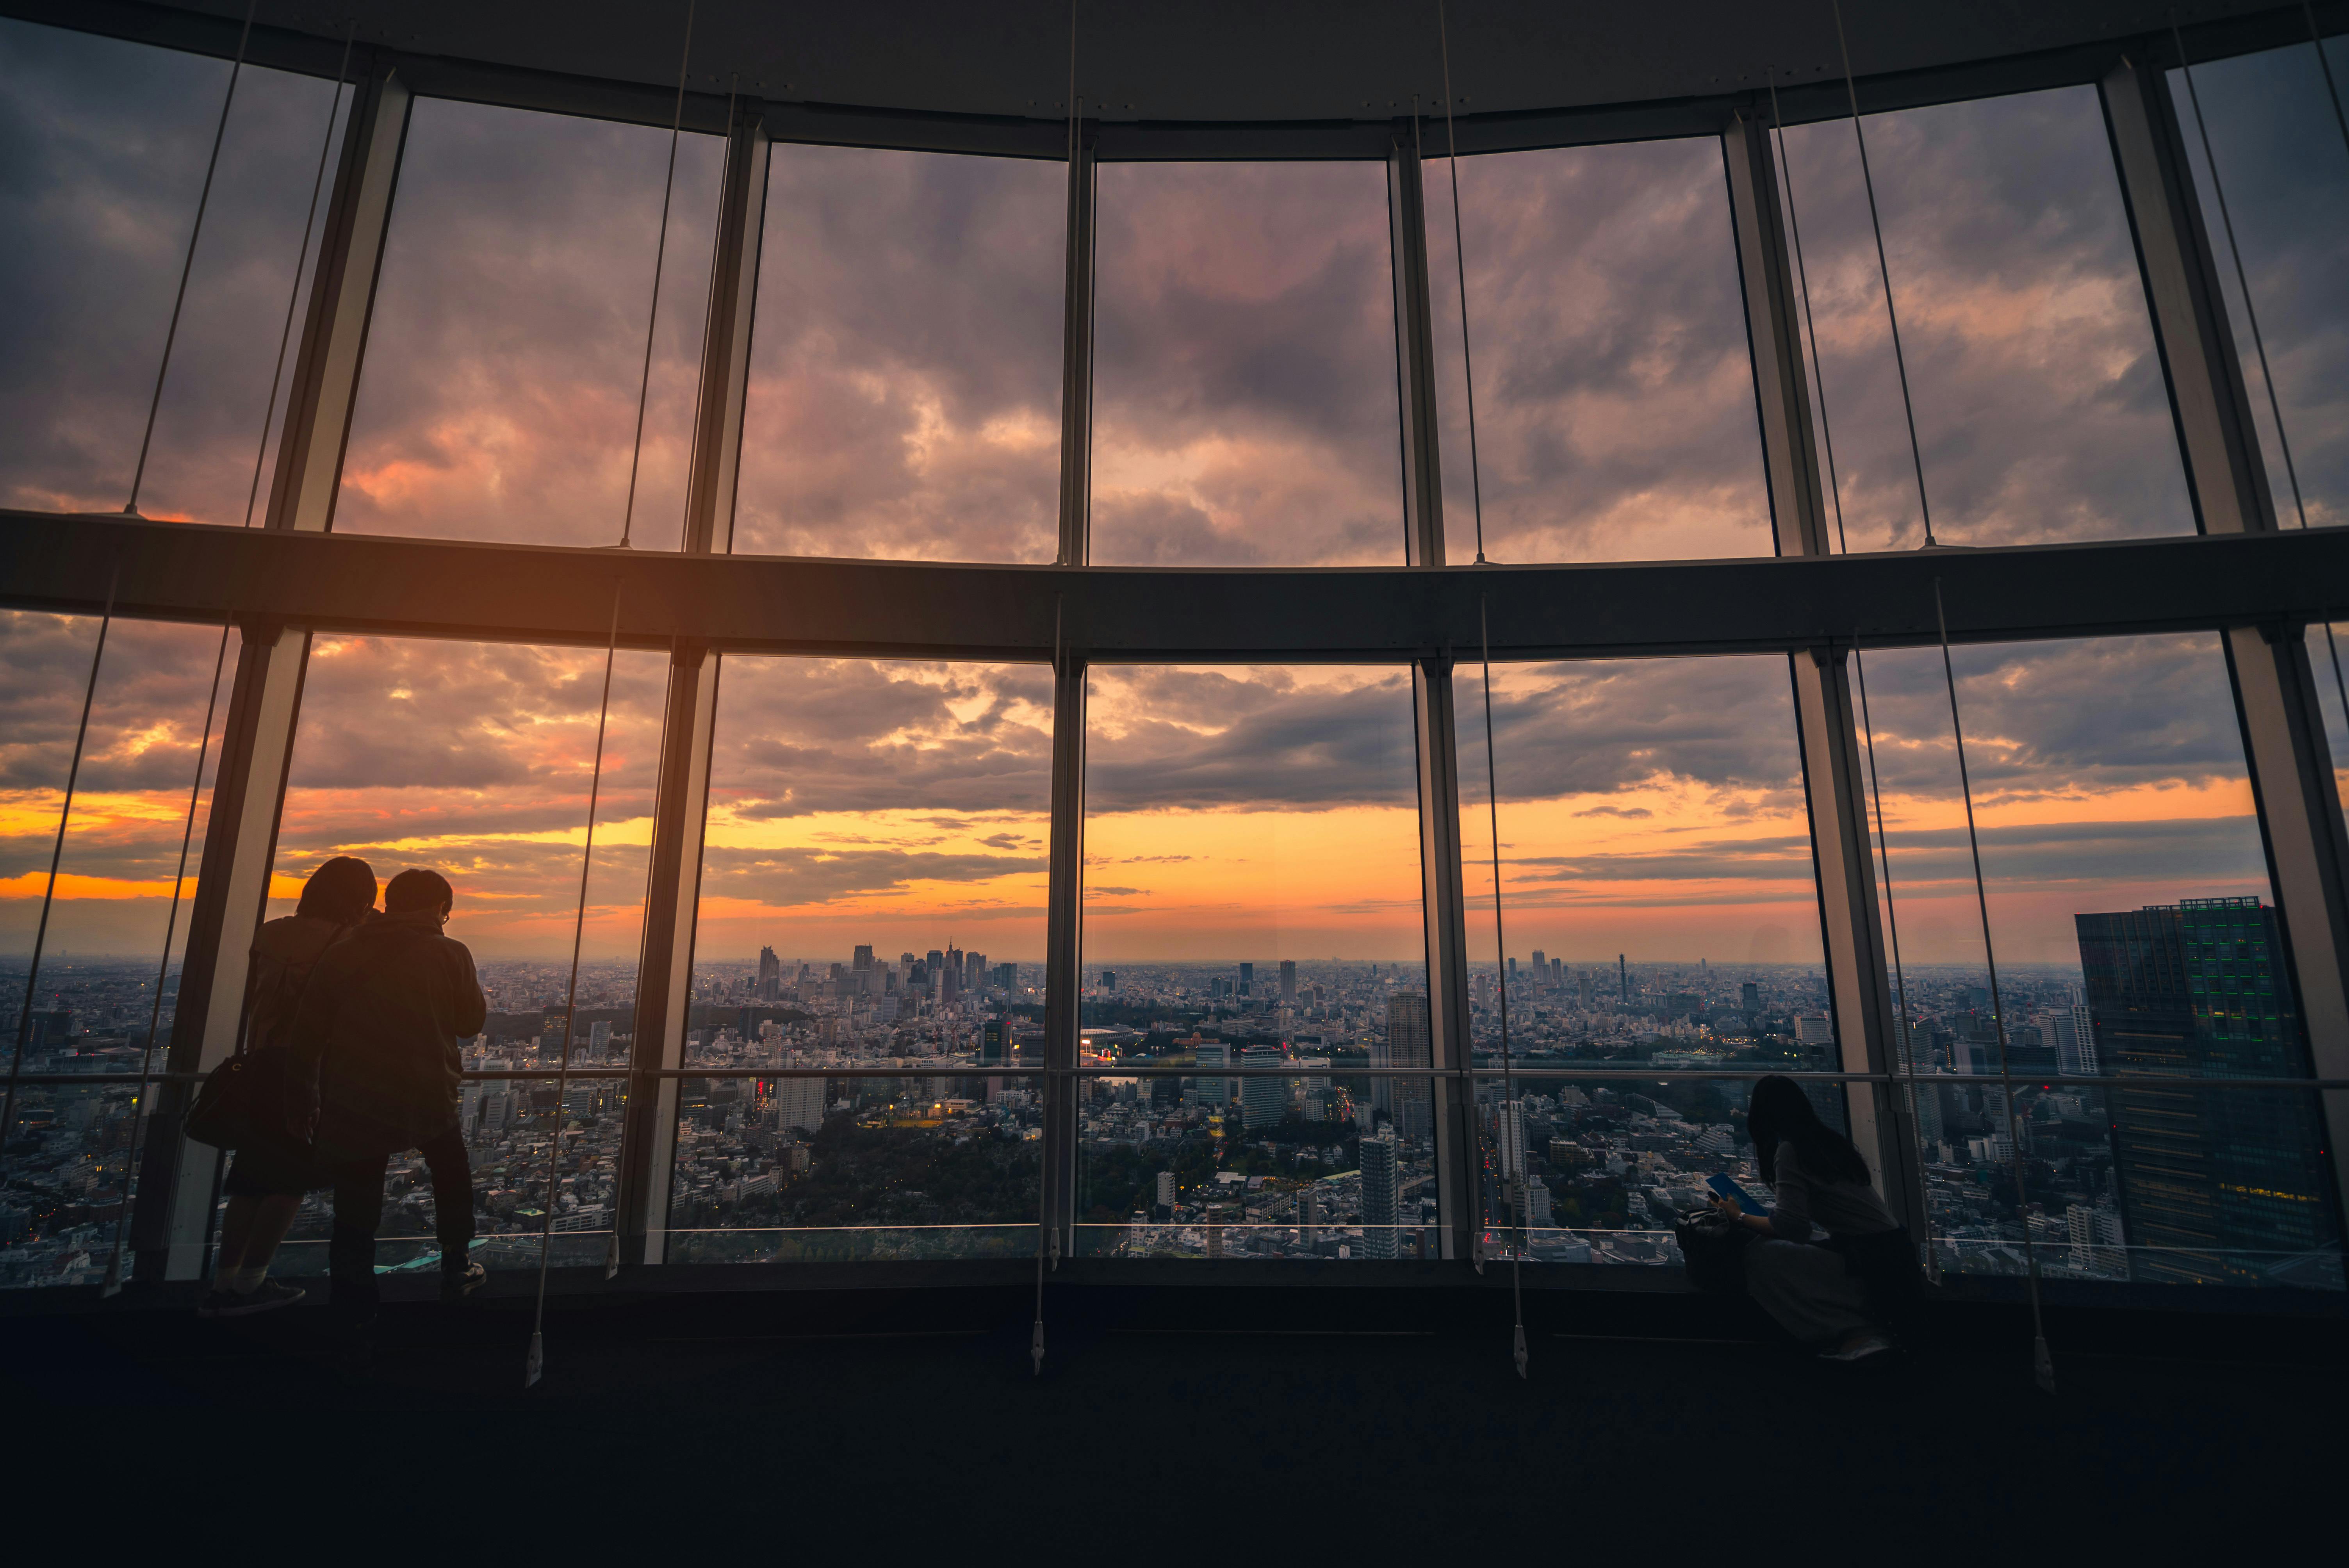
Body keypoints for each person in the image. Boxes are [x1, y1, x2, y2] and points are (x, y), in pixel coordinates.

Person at [292, 868, 488, 1322]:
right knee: (451, 1173)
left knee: (355, 1205)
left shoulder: (343, 952)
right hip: (427, 1088)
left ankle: (353, 1312)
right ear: (442, 908)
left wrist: (303, 1095)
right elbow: (469, 1024)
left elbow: (308, 1031)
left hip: (353, 1094)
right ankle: (457, 1263)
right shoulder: (450, 953)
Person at [197, 855, 376, 1319]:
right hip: (308, 1067)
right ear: (359, 901)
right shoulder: (345, 941)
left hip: (258, 1061)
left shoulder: (270, 933)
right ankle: (253, 1282)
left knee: (251, 1177)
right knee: (290, 1178)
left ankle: (224, 1282)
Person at [1709, 1074, 1918, 1363]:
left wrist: (1739, 1216)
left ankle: (1853, 1331)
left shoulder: (1790, 1151)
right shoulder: (1826, 1143)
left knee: (1759, 1253)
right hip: (1890, 1253)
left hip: (1869, 1260)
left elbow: (1790, 1228)